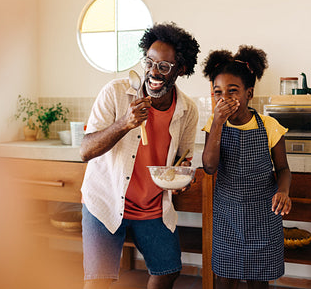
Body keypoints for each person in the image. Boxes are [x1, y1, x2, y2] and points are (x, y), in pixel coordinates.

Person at [79, 22, 200, 289]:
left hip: (152, 206)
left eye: (164, 66)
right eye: (149, 62)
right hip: (106, 199)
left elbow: (184, 158)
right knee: (97, 282)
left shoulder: (188, 110)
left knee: (168, 271)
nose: (153, 72)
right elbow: (85, 150)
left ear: (180, 69)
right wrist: (125, 123)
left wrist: (183, 178)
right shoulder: (115, 92)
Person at [201, 46, 292, 289]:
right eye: (218, 92)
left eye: (233, 91)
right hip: (226, 216)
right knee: (225, 279)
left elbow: (283, 169)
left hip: (263, 216)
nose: (224, 98)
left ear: (248, 93)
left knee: (258, 281)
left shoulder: (270, 126)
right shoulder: (214, 124)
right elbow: (209, 167)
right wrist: (218, 123)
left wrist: (283, 192)